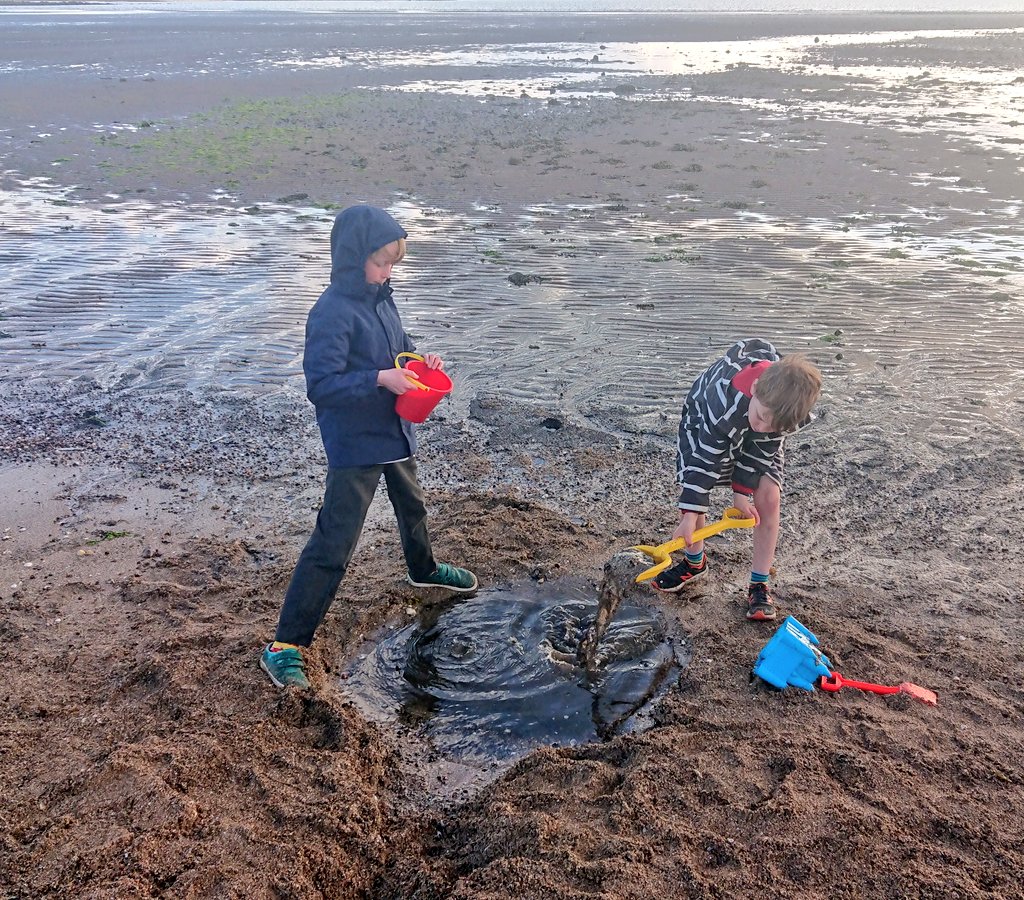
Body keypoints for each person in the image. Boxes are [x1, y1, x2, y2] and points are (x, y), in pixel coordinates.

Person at [261, 204, 477, 690]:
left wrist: (420, 362)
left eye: (394, 264)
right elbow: (322, 385)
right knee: (335, 540)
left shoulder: (382, 298)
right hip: (356, 443)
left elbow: (398, 347)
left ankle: (424, 570)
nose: (387, 272)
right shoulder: (331, 312)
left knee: (413, 507)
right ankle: (285, 645)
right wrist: (380, 378)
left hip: (396, 429)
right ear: (352, 256)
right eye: (381, 263)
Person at [652, 338, 821, 622]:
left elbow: (760, 449)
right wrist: (691, 513)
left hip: (757, 408)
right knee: (695, 488)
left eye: (774, 426)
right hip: (706, 422)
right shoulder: (723, 402)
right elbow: (705, 462)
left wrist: (741, 495)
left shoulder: (778, 414)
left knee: (768, 495)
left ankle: (759, 582)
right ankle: (695, 562)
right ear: (755, 389)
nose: (763, 428)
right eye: (762, 418)